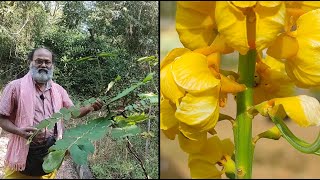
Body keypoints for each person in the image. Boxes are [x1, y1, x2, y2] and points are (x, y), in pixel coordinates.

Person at [0, 47, 103, 179]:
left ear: (52, 65)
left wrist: (91, 107)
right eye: (38, 61)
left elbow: (73, 113)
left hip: (49, 153)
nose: (43, 65)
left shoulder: (58, 90)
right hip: (22, 154)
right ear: (30, 63)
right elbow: (1, 118)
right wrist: (20, 131)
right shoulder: (15, 87)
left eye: (47, 62)